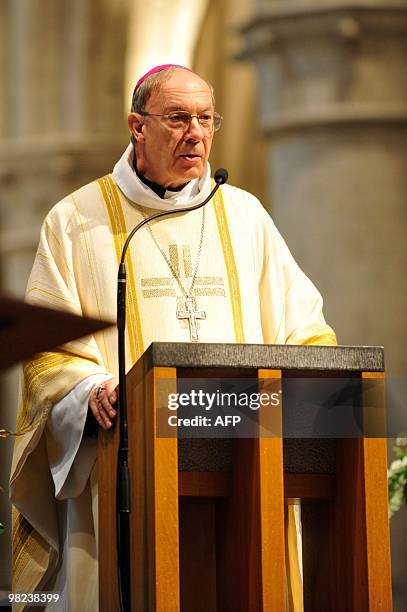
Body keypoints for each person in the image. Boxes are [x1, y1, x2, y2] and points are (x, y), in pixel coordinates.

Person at [10, 64, 336, 610]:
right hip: (128, 470)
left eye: (207, 119)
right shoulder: (77, 219)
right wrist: (89, 391)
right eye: (179, 118)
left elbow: (304, 325)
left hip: (245, 463)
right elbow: (47, 347)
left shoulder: (244, 215)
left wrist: (313, 386)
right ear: (136, 125)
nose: (197, 134)